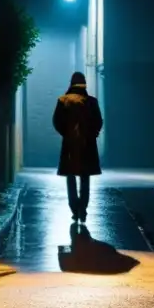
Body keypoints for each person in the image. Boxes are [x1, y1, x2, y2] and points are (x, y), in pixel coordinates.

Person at [52, 71, 103, 221]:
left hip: (70, 145)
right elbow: (98, 121)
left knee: (70, 176)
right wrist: (92, 134)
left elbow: (56, 121)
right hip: (87, 145)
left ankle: (74, 208)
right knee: (85, 177)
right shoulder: (92, 102)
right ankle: (83, 209)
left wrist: (67, 134)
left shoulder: (63, 101)